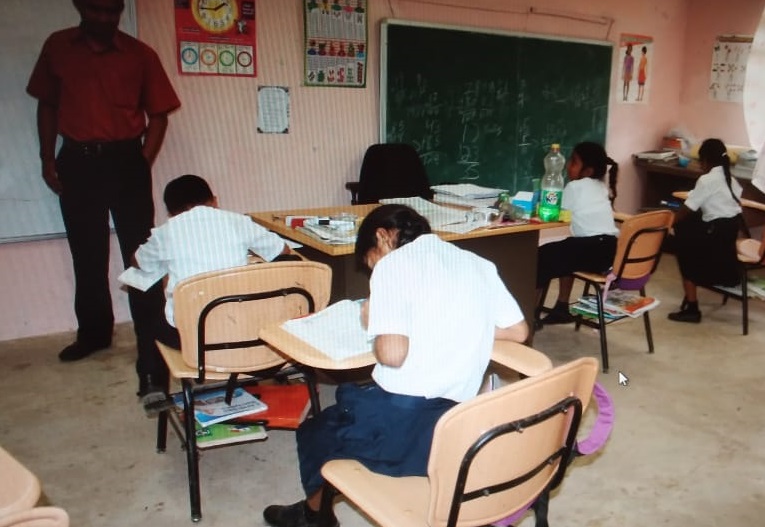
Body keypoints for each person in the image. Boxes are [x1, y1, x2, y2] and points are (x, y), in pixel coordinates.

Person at [262, 204, 528, 527]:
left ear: (383, 237)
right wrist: (460, 325)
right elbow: (518, 331)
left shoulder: (394, 265)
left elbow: (392, 354)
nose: (376, 271)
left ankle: (313, 515)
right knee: (346, 412)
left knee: (317, 431)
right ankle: (315, 510)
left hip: (408, 429)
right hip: (460, 425)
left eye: (372, 263)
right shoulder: (478, 264)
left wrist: (376, 319)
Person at [25, 0, 181, 396]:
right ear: (79, 5)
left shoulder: (140, 55)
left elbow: (160, 115)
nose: (104, 17)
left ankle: (150, 346)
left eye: (112, 10)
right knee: (87, 253)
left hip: (125, 160)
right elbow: (47, 106)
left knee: (141, 258)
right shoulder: (58, 47)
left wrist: (142, 161)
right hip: (76, 160)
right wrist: (46, 159)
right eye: (95, 8)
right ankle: (94, 333)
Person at [129, 175, 296, 394]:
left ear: (171, 213)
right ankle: (264, 367)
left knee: (142, 293)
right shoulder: (237, 221)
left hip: (192, 341)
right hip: (245, 332)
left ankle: (152, 382)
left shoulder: (166, 232)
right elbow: (283, 253)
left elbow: (137, 262)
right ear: (215, 201)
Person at [536, 142, 620, 325]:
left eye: (573, 162)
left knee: (540, 257)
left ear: (588, 171)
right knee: (567, 247)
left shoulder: (575, 187)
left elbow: (553, 211)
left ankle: (530, 313)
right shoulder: (601, 187)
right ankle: (561, 307)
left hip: (590, 250)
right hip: (609, 251)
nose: (567, 166)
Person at [667, 138, 742, 323]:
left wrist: (666, 225)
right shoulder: (731, 179)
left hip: (714, 237)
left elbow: (686, 210)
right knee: (690, 227)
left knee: (681, 244)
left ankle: (692, 308)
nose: (700, 165)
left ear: (706, 160)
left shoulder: (707, 179)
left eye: (700, 161)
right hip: (727, 237)